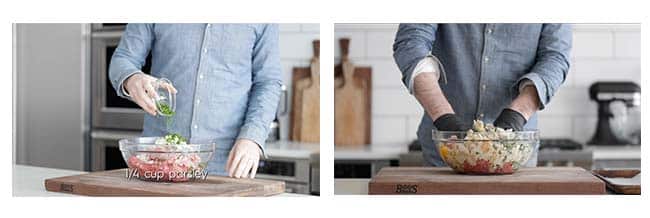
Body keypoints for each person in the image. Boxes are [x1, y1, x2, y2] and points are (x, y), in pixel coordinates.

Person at [109, 24, 282, 178]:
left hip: (227, 163)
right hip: (159, 159)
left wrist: (252, 137)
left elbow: (268, 82)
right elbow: (123, 58)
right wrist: (132, 78)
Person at [393, 24, 572, 167]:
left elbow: (555, 58)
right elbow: (410, 43)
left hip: (515, 153)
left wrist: (516, 114)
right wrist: (444, 118)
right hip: (444, 152)